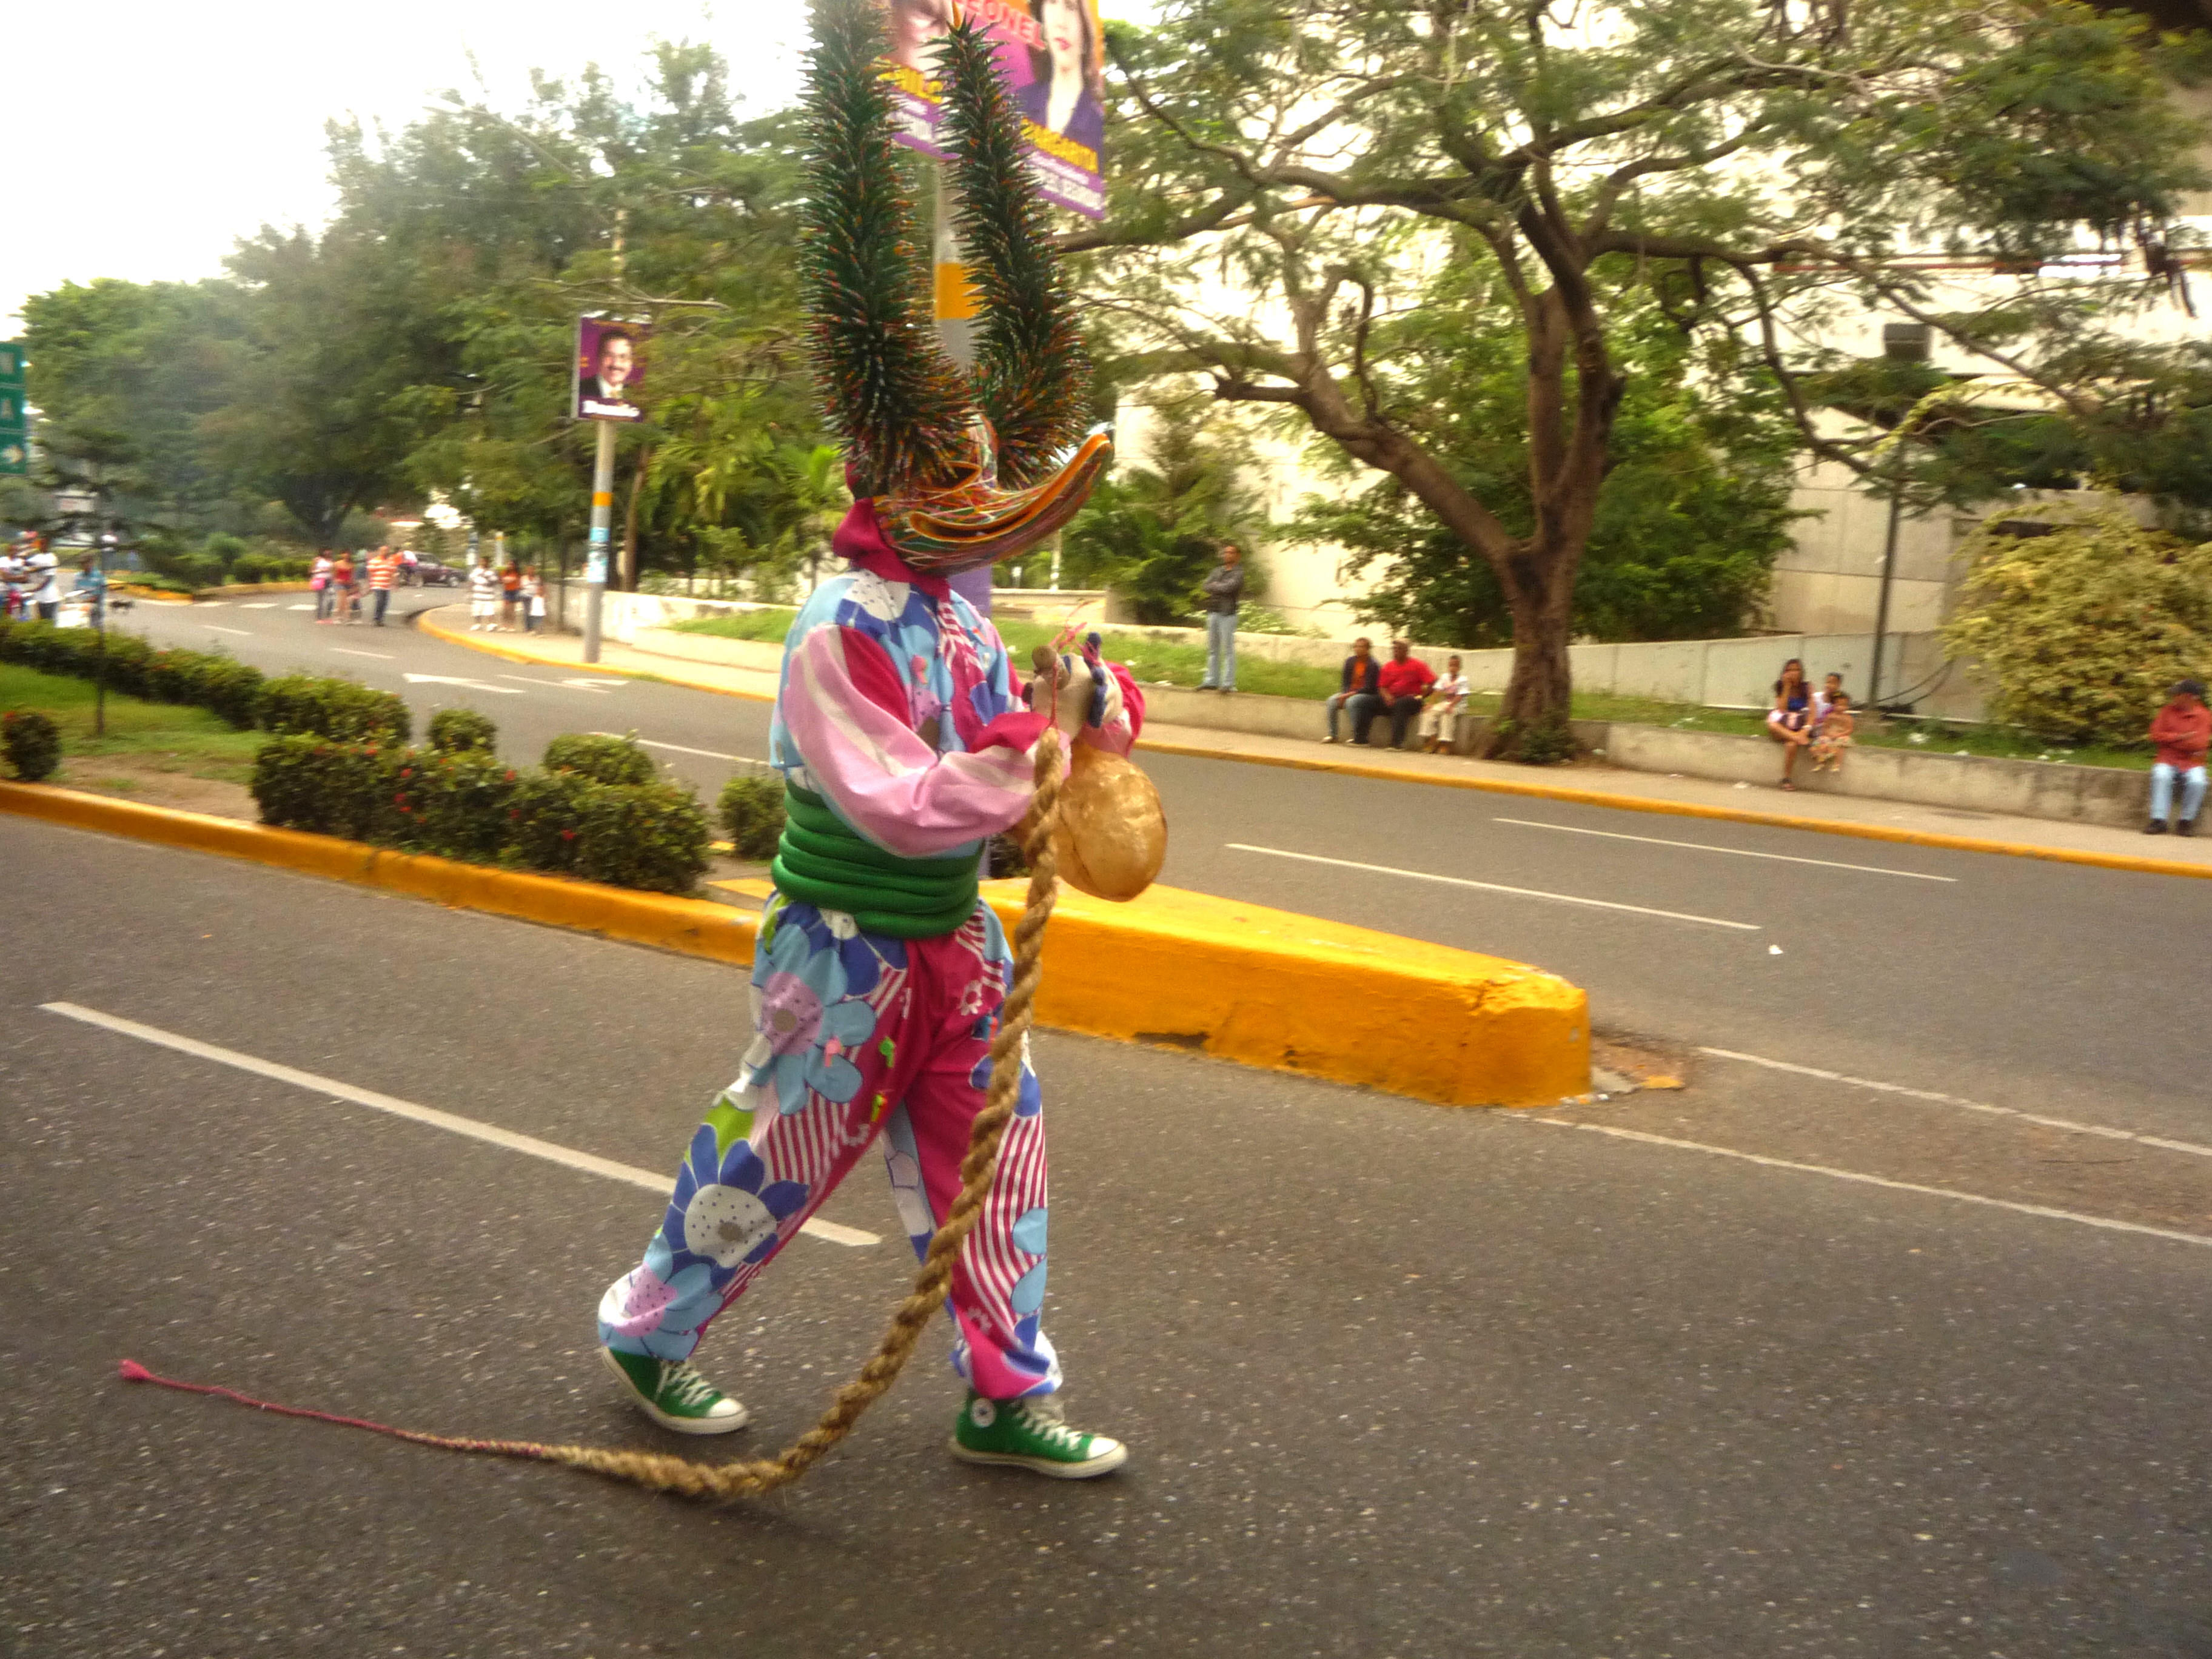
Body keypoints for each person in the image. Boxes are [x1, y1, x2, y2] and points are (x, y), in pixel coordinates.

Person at [592, 494, 1139, 1478]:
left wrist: (1080, 709)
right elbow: (905, 803)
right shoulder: (838, 628)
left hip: (958, 945)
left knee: (998, 1164)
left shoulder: (961, 621)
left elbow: (1001, 744)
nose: (982, 507)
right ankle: (648, 1329)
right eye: (954, 486)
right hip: (844, 950)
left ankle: (1005, 1395)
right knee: (773, 1154)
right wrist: (1031, 748)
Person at [1017, 0, 1107, 157]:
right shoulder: (1017, 103)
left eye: (1071, 7)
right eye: (1052, 3)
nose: (1061, 22)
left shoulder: (1096, 125)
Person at [2146, 678, 2209, 837]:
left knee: (2198, 782)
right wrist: (2181, 737)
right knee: (2161, 776)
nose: (2173, 697)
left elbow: (2199, 745)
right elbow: (2155, 735)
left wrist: (2169, 740)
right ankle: (2159, 820)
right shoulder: (2167, 711)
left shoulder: (2204, 716)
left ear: (2188, 697)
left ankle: (2186, 821)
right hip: (2167, 759)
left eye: (2177, 694)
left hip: (2193, 763)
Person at [1196, 543, 1243, 692]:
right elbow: (1205, 586)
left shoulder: (1238, 573)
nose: (1227, 555)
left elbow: (1229, 588)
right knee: (1212, 649)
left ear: (1237, 556)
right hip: (1213, 612)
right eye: (1226, 552)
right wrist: (1218, 586)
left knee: (1228, 650)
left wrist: (1215, 586)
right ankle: (1211, 681)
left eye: (1231, 553)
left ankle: (1228, 683)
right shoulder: (1217, 571)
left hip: (1227, 614)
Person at [1373, 639, 1437, 749]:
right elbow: (1382, 687)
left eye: (1399, 649)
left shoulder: (1418, 665)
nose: (1396, 651)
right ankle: (1360, 738)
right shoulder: (1388, 667)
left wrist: (1423, 696)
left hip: (1412, 700)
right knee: (1368, 701)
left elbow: (1433, 682)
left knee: (1401, 704)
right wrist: (1387, 696)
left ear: (1406, 651)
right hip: (1391, 699)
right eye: (1394, 649)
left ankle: (1397, 743)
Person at [1766, 657, 1814, 789]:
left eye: (1796, 669)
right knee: (1772, 724)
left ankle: (1786, 779)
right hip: (1784, 726)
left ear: (1801, 672)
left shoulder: (1807, 687)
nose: (1794, 672)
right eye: (1790, 670)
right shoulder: (1780, 686)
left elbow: (1812, 712)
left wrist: (1806, 730)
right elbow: (1781, 709)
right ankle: (1797, 738)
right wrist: (1787, 686)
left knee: (1792, 745)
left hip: (1800, 726)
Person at [1324, 637, 1381, 743]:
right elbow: (1345, 682)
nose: (1357, 649)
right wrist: (1345, 693)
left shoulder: (1373, 665)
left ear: (1368, 649)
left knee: (1352, 702)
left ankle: (1357, 736)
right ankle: (1333, 735)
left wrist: (1348, 696)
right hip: (1350, 692)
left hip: (1367, 694)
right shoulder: (1350, 662)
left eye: (1361, 647)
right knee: (1332, 701)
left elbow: (1369, 687)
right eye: (1356, 646)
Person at [1419, 654, 1470, 752]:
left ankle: (1444, 744)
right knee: (1428, 712)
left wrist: (1451, 705)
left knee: (1447, 715)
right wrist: (1430, 704)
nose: (1453, 668)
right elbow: (1437, 691)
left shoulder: (1463, 680)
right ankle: (1431, 740)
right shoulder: (1444, 677)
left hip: (1458, 705)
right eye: (1451, 665)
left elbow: (1460, 696)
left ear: (1459, 667)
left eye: (1455, 666)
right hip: (1446, 703)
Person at [1810, 690, 1855, 773]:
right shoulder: (1830, 716)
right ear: (1833, 705)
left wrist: (1839, 735)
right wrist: (1828, 734)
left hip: (1841, 736)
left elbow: (1850, 729)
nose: (1840, 707)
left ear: (1847, 706)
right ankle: (1821, 762)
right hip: (1830, 736)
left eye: (1844, 705)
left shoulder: (1848, 718)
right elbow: (1825, 727)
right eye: (1838, 704)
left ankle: (1837, 765)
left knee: (1840, 745)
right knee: (1820, 743)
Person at [25, 540, 59, 623]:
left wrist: (32, 591)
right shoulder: (38, 557)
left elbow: (48, 581)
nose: (41, 546)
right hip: (40, 599)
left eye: (44, 544)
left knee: (49, 624)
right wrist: (28, 549)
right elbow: (26, 563)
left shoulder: (52, 558)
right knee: (41, 623)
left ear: (48, 545)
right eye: (40, 544)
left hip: (50, 599)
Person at [366, 545, 399, 627]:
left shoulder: (390, 562)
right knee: (380, 601)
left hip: (387, 586)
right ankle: (376, 619)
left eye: (386, 551)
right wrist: (370, 583)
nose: (385, 552)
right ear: (380, 552)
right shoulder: (375, 561)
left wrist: (395, 584)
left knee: (385, 602)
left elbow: (393, 573)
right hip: (377, 585)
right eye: (383, 551)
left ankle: (380, 619)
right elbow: (370, 573)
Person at [468, 555, 501, 631]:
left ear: (488, 562)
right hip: (477, 595)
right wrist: (469, 591)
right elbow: (471, 580)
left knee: (489, 611)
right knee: (477, 611)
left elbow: (494, 581)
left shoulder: (492, 572)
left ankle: (491, 625)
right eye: (481, 561)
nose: (482, 563)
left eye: (484, 561)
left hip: (488, 596)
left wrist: (486, 575)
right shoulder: (476, 571)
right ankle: (477, 624)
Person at [329, 549, 357, 624]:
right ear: (342, 555)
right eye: (345, 554)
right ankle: (346, 618)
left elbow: (352, 576)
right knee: (344, 600)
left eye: (348, 554)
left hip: (348, 583)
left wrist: (353, 584)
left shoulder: (351, 565)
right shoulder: (337, 564)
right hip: (339, 584)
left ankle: (340, 616)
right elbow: (333, 574)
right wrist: (336, 580)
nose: (346, 555)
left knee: (344, 601)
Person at [498, 558, 524, 631]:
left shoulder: (517, 573)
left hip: (514, 591)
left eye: (512, 564)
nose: (510, 566)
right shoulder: (505, 572)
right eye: (509, 564)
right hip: (507, 591)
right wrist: (507, 580)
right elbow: (501, 580)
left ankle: (512, 626)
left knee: (512, 610)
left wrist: (518, 585)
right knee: (505, 609)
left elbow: (519, 583)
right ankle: (504, 625)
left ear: (515, 565)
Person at [310, 550, 335, 622]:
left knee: (332, 598)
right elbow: (311, 570)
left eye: (329, 553)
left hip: (329, 581)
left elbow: (333, 571)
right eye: (326, 552)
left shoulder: (331, 562)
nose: (328, 554)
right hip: (320, 581)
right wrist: (321, 571)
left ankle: (328, 615)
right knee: (321, 599)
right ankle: (319, 617)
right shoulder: (318, 560)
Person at [523, 569, 546, 634]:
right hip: (535, 610)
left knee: (539, 621)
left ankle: (539, 631)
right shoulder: (535, 597)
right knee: (533, 618)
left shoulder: (542, 597)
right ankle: (533, 629)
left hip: (540, 611)